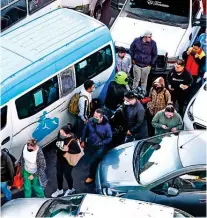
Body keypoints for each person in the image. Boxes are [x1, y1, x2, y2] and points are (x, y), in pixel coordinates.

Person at [81, 109, 112, 184]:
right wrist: (82, 140)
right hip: (90, 144)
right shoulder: (90, 121)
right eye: (94, 116)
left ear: (101, 117)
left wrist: (101, 143)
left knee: (93, 162)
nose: (94, 118)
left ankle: (91, 176)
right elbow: (85, 130)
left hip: (99, 147)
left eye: (97, 117)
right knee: (90, 156)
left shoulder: (106, 127)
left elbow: (109, 138)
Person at [51, 124, 81, 197]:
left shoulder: (72, 141)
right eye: (60, 133)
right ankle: (60, 190)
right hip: (59, 158)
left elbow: (78, 151)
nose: (60, 134)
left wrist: (68, 150)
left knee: (67, 175)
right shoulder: (60, 134)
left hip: (67, 161)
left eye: (62, 134)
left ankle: (71, 189)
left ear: (68, 134)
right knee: (59, 175)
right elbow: (58, 141)